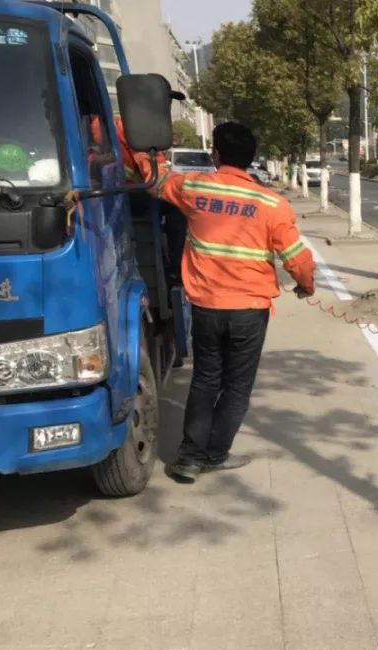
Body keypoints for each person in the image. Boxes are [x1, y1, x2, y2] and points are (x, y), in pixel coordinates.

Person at [145, 121, 316, 482]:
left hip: (206, 307)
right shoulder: (272, 203)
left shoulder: (194, 187)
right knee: (236, 387)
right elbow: (297, 259)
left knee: (206, 380)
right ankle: (215, 454)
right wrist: (306, 286)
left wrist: (135, 139)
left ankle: (189, 458)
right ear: (252, 159)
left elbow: (155, 178)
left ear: (216, 155)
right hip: (250, 311)